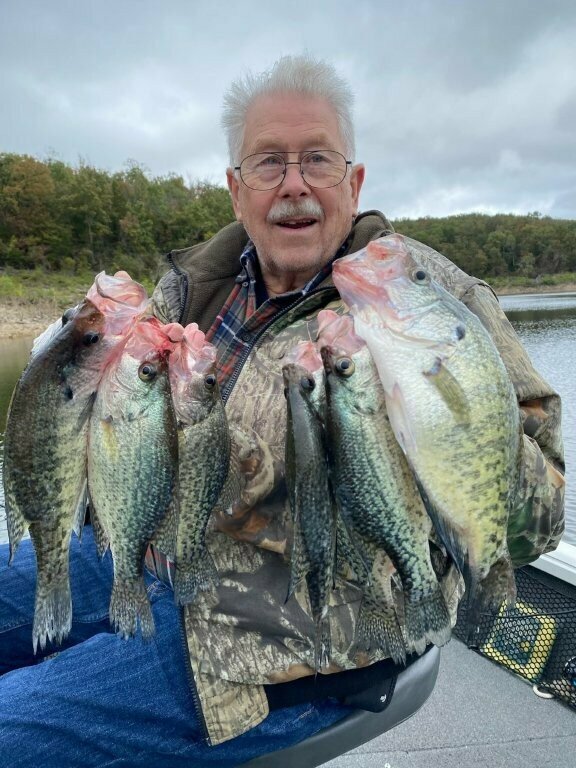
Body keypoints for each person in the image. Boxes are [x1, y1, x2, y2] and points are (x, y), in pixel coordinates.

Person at [0, 55, 565, 767]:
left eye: (318, 159)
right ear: (237, 191)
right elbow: (100, 434)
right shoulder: (191, 286)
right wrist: (76, 350)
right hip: (146, 553)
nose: (294, 184)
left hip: (271, 649)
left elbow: (537, 524)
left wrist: (448, 419)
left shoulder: (436, 300)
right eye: (268, 163)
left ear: (353, 182)